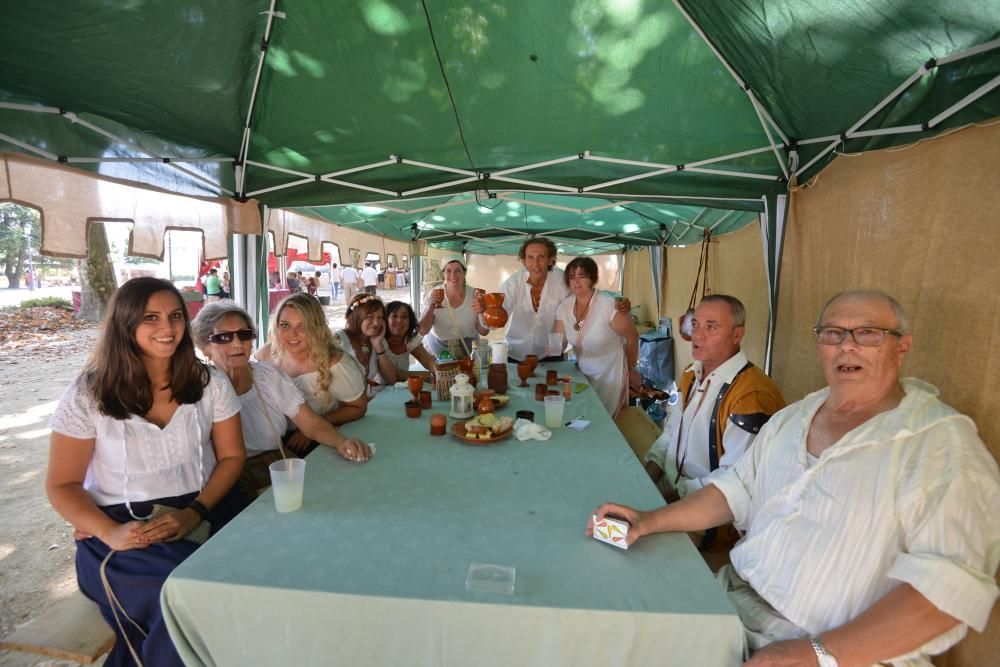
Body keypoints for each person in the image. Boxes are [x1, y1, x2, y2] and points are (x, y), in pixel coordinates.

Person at [590, 289, 1000, 666]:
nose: (847, 345)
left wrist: (815, 653)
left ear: (901, 347)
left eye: (869, 334)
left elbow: (945, 596)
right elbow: (735, 490)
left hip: (841, 654)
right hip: (734, 606)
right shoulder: (795, 418)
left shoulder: (941, 445)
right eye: (833, 333)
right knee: (604, 618)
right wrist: (649, 520)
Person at [45, 277, 247, 667]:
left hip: (205, 508)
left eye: (174, 316)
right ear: (125, 323)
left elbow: (232, 458)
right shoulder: (89, 393)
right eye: (150, 317)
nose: (167, 328)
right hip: (123, 533)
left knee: (256, 577)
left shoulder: (209, 382)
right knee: (184, 593)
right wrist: (109, 531)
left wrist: (195, 512)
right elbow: (61, 484)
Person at [192, 302, 372, 501]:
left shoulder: (268, 376)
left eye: (244, 334)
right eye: (224, 337)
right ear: (204, 347)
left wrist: (341, 442)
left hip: (277, 464)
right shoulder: (197, 389)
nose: (237, 343)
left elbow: (310, 423)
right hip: (227, 479)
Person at [644, 296, 785, 513]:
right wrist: (647, 476)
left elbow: (733, 481)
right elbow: (671, 433)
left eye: (711, 327)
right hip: (671, 487)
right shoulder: (692, 373)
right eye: (695, 324)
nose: (697, 335)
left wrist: (663, 504)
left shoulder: (751, 395)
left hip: (706, 511)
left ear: (737, 335)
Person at [480, 237, 630, 363]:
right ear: (524, 261)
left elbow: (587, 292)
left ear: (551, 260)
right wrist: (484, 313)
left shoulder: (562, 280)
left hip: (551, 354)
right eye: (530, 258)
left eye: (541, 257)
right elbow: (496, 315)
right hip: (516, 354)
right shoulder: (513, 283)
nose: (535, 264)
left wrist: (618, 299)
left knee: (551, 395)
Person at [256, 294, 367, 453]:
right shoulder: (264, 356)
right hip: (272, 441)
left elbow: (358, 407)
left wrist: (316, 426)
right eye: (285, 325)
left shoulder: (335, 363)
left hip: (322, 437)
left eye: (302, 326)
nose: (292, 334)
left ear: (316, 328)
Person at [552, 257, 640, 418]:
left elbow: (632, 337)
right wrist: (549, 351)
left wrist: (631, 368)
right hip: (583, 373)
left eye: (582, 276)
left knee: (606, 420)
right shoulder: (564, 307)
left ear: (592, 278)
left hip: (611, 373)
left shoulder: (609, 305)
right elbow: (558, 343)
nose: (576, 282)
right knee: (585, 416)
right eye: (572, 277)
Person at [418, 253, 489, 359]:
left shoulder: (475, 295)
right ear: (443, 273)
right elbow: (422, 330)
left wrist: (482, 312)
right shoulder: (434, 294)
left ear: (464, 273)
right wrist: (430, 307)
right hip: (437, 349)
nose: (453, 275)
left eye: (458, 270)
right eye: (448, 271)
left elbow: (483, 331)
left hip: (467, 350)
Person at [335, 294, 400, 397]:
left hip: (363, 403)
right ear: (357, 316)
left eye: (380, 317)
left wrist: (378, 345)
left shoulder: (374, 341)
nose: (376, 323)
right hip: (344, 406)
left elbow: (391, 379)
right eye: (370, 317)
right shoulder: (339, 340)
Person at [384, 300, 437, 377]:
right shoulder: (379, 341)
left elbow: (428, 361)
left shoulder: (409, 339)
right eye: (394, 316)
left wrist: (441, 372)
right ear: (385, 320)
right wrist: (427, 375)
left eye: (404, 317)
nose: (399, 320)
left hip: (400, 387)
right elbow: (389, 375)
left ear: (410, 322)